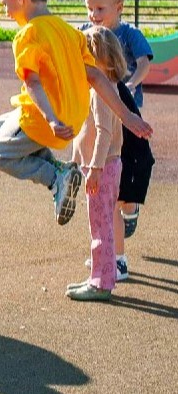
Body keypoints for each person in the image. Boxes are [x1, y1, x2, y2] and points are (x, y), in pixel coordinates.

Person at [0, 0, 152, 228]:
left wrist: (50, 119)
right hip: (70, 121)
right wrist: (127, 116)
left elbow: (33, 84)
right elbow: (96, 76)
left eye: (6, 4)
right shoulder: (70, 32)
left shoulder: (28, 35)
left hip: (44, 119)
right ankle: (59, 170)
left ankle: (55, 178)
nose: (6, 12)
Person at [83, 0, 155, 280]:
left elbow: (144, 62)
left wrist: (131, 83)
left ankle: (118, 254)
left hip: (124, 105)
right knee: (112, 191)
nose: (94, 16)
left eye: (100, 9)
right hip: (103, 109)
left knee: (117, 190)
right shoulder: (88, 34)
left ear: (119, 7)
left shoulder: (128, 34)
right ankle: (114, 250)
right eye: (90, 9)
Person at [65, 26, 126, 301]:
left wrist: (95, 169)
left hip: (102, 168)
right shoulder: (106, 88)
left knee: (100, 226)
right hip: (105, 166)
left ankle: (101, 283)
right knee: (101, 224)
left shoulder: (101, 90)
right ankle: (100, 276)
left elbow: (105, 132)